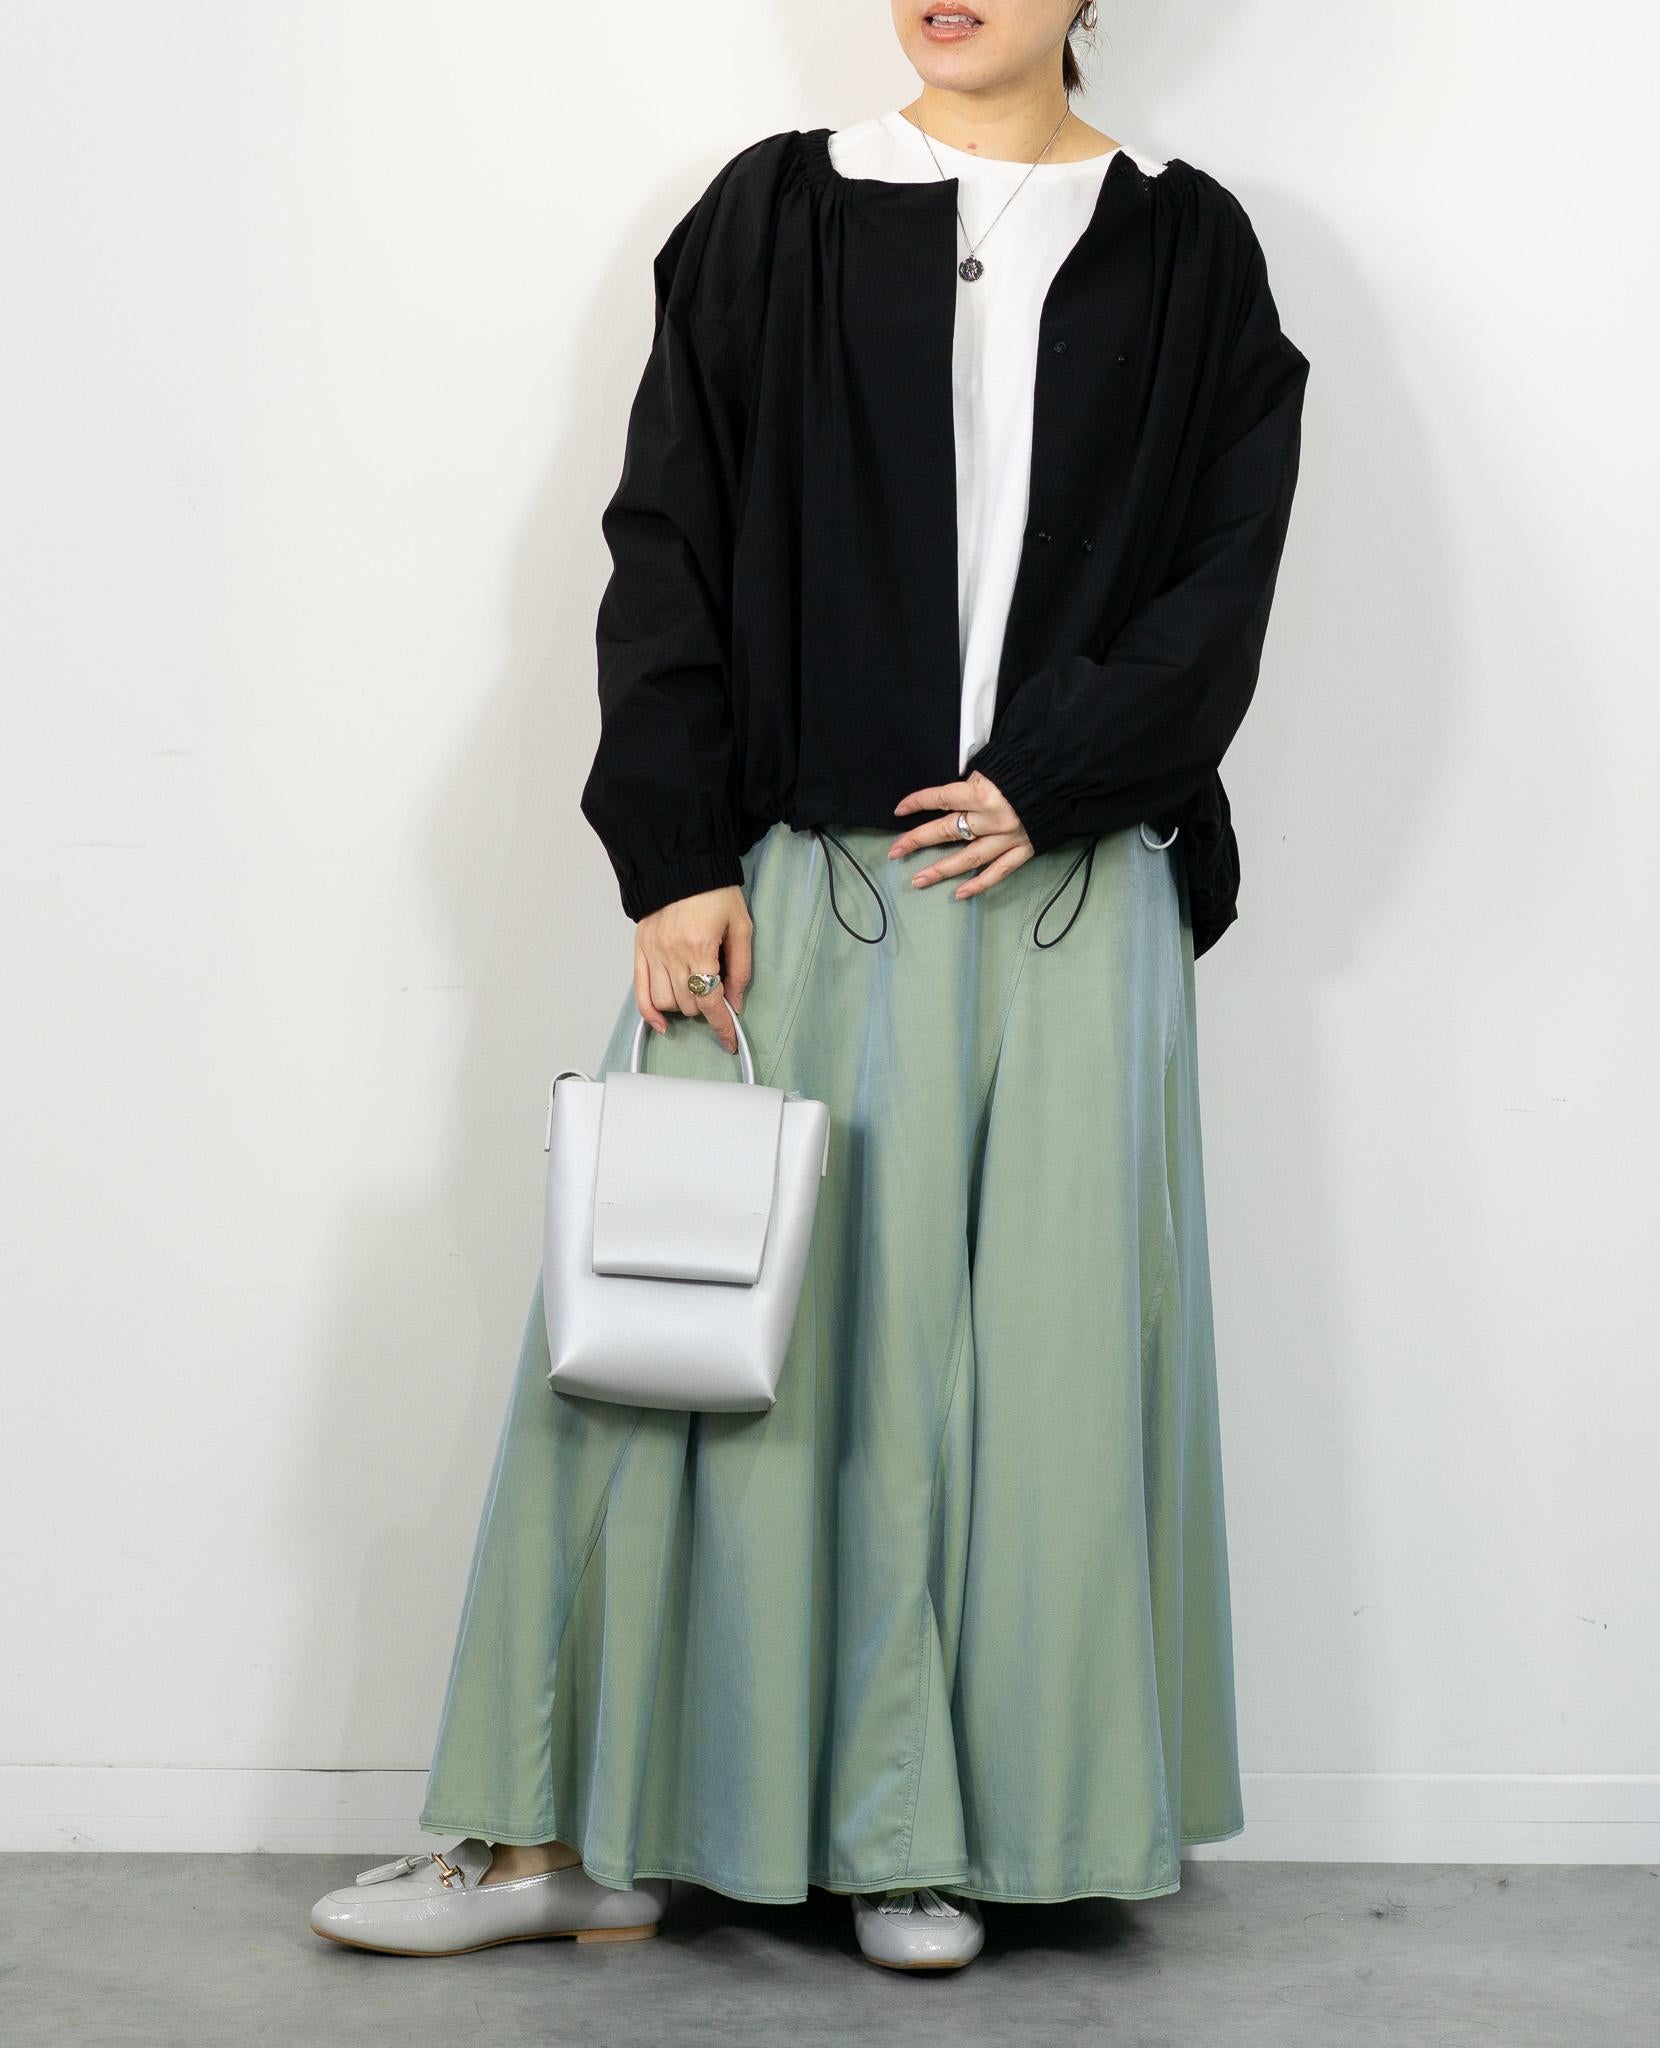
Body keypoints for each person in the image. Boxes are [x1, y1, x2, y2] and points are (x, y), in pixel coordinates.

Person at [309, 0, 1309, 1973]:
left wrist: (1061, 772)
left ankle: (924, 1839)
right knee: (658, 1339)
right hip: (792, 887)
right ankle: (559, 1837)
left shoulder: (1192, 245)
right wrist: (674, 849)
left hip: (1066, 897)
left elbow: (1228, 565)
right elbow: (668, 533)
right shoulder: (773, 214)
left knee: (1009, 1383)